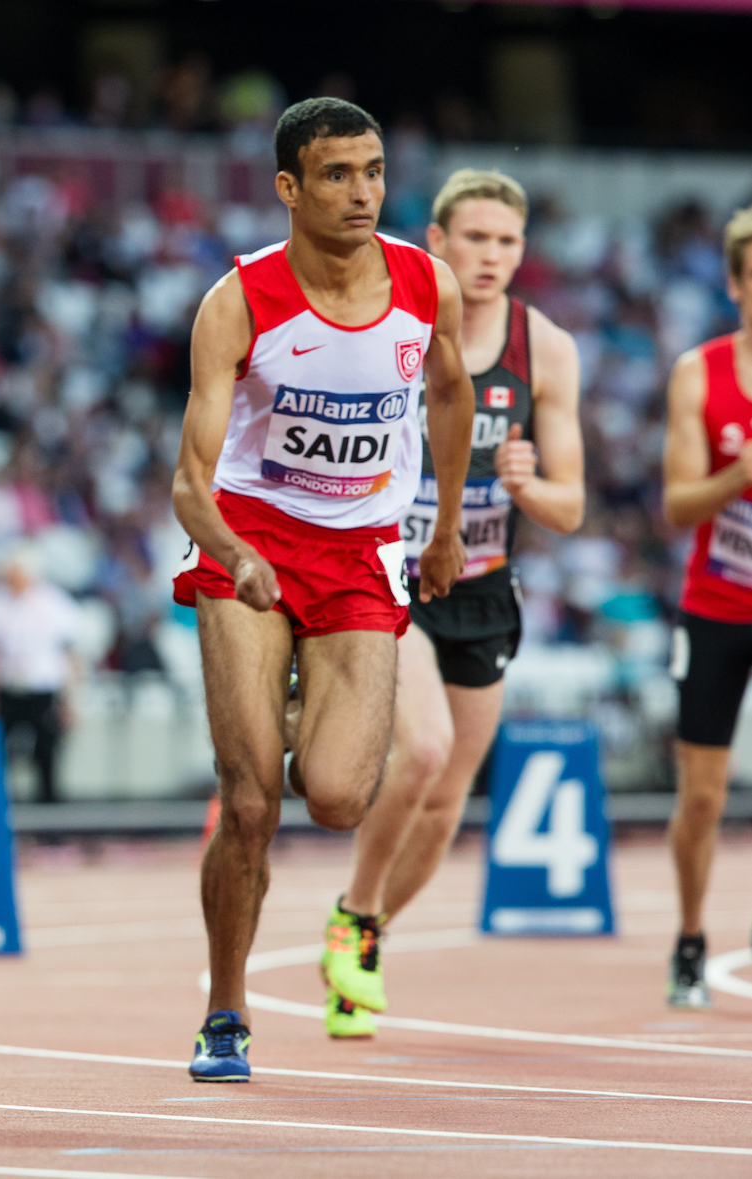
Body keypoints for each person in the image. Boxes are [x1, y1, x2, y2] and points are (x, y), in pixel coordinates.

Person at [170, 97, 474, 1082]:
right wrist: (232, 548)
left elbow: (452, 392)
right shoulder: (241, 299)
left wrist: (449, 523)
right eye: (338, 174)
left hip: (361, 551)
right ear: (289, 188)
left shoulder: (426, 286)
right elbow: (188, 477)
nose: (363, 192)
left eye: (375, 170)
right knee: (252, 804)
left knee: (340, 797)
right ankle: (227, 1011)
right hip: (251, 541)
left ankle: (276, 707)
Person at [316, 170, 584, 1037]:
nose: (492, 257)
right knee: (423, 750)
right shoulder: (390, 315)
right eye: (476, 238)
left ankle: (364, 945)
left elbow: (570, 509)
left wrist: (529, 484)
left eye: (508, 242)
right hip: (392, 574)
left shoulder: (546, 349)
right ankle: (355, 914)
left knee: (445, 802)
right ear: (436, 240)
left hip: (486, 585)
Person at [660, 204, 752, 1008]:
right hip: (718, 603)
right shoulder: (701, 372)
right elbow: (678, 505)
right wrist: (739, 473)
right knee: (702, 794)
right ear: (735, 284)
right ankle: (690, 937)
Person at [0, 547, 81, 804]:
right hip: (8, 688)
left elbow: (69, 655)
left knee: (47, 753)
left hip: (43, 689)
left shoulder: (55, 604)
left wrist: (70, 699)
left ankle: (50, 812)